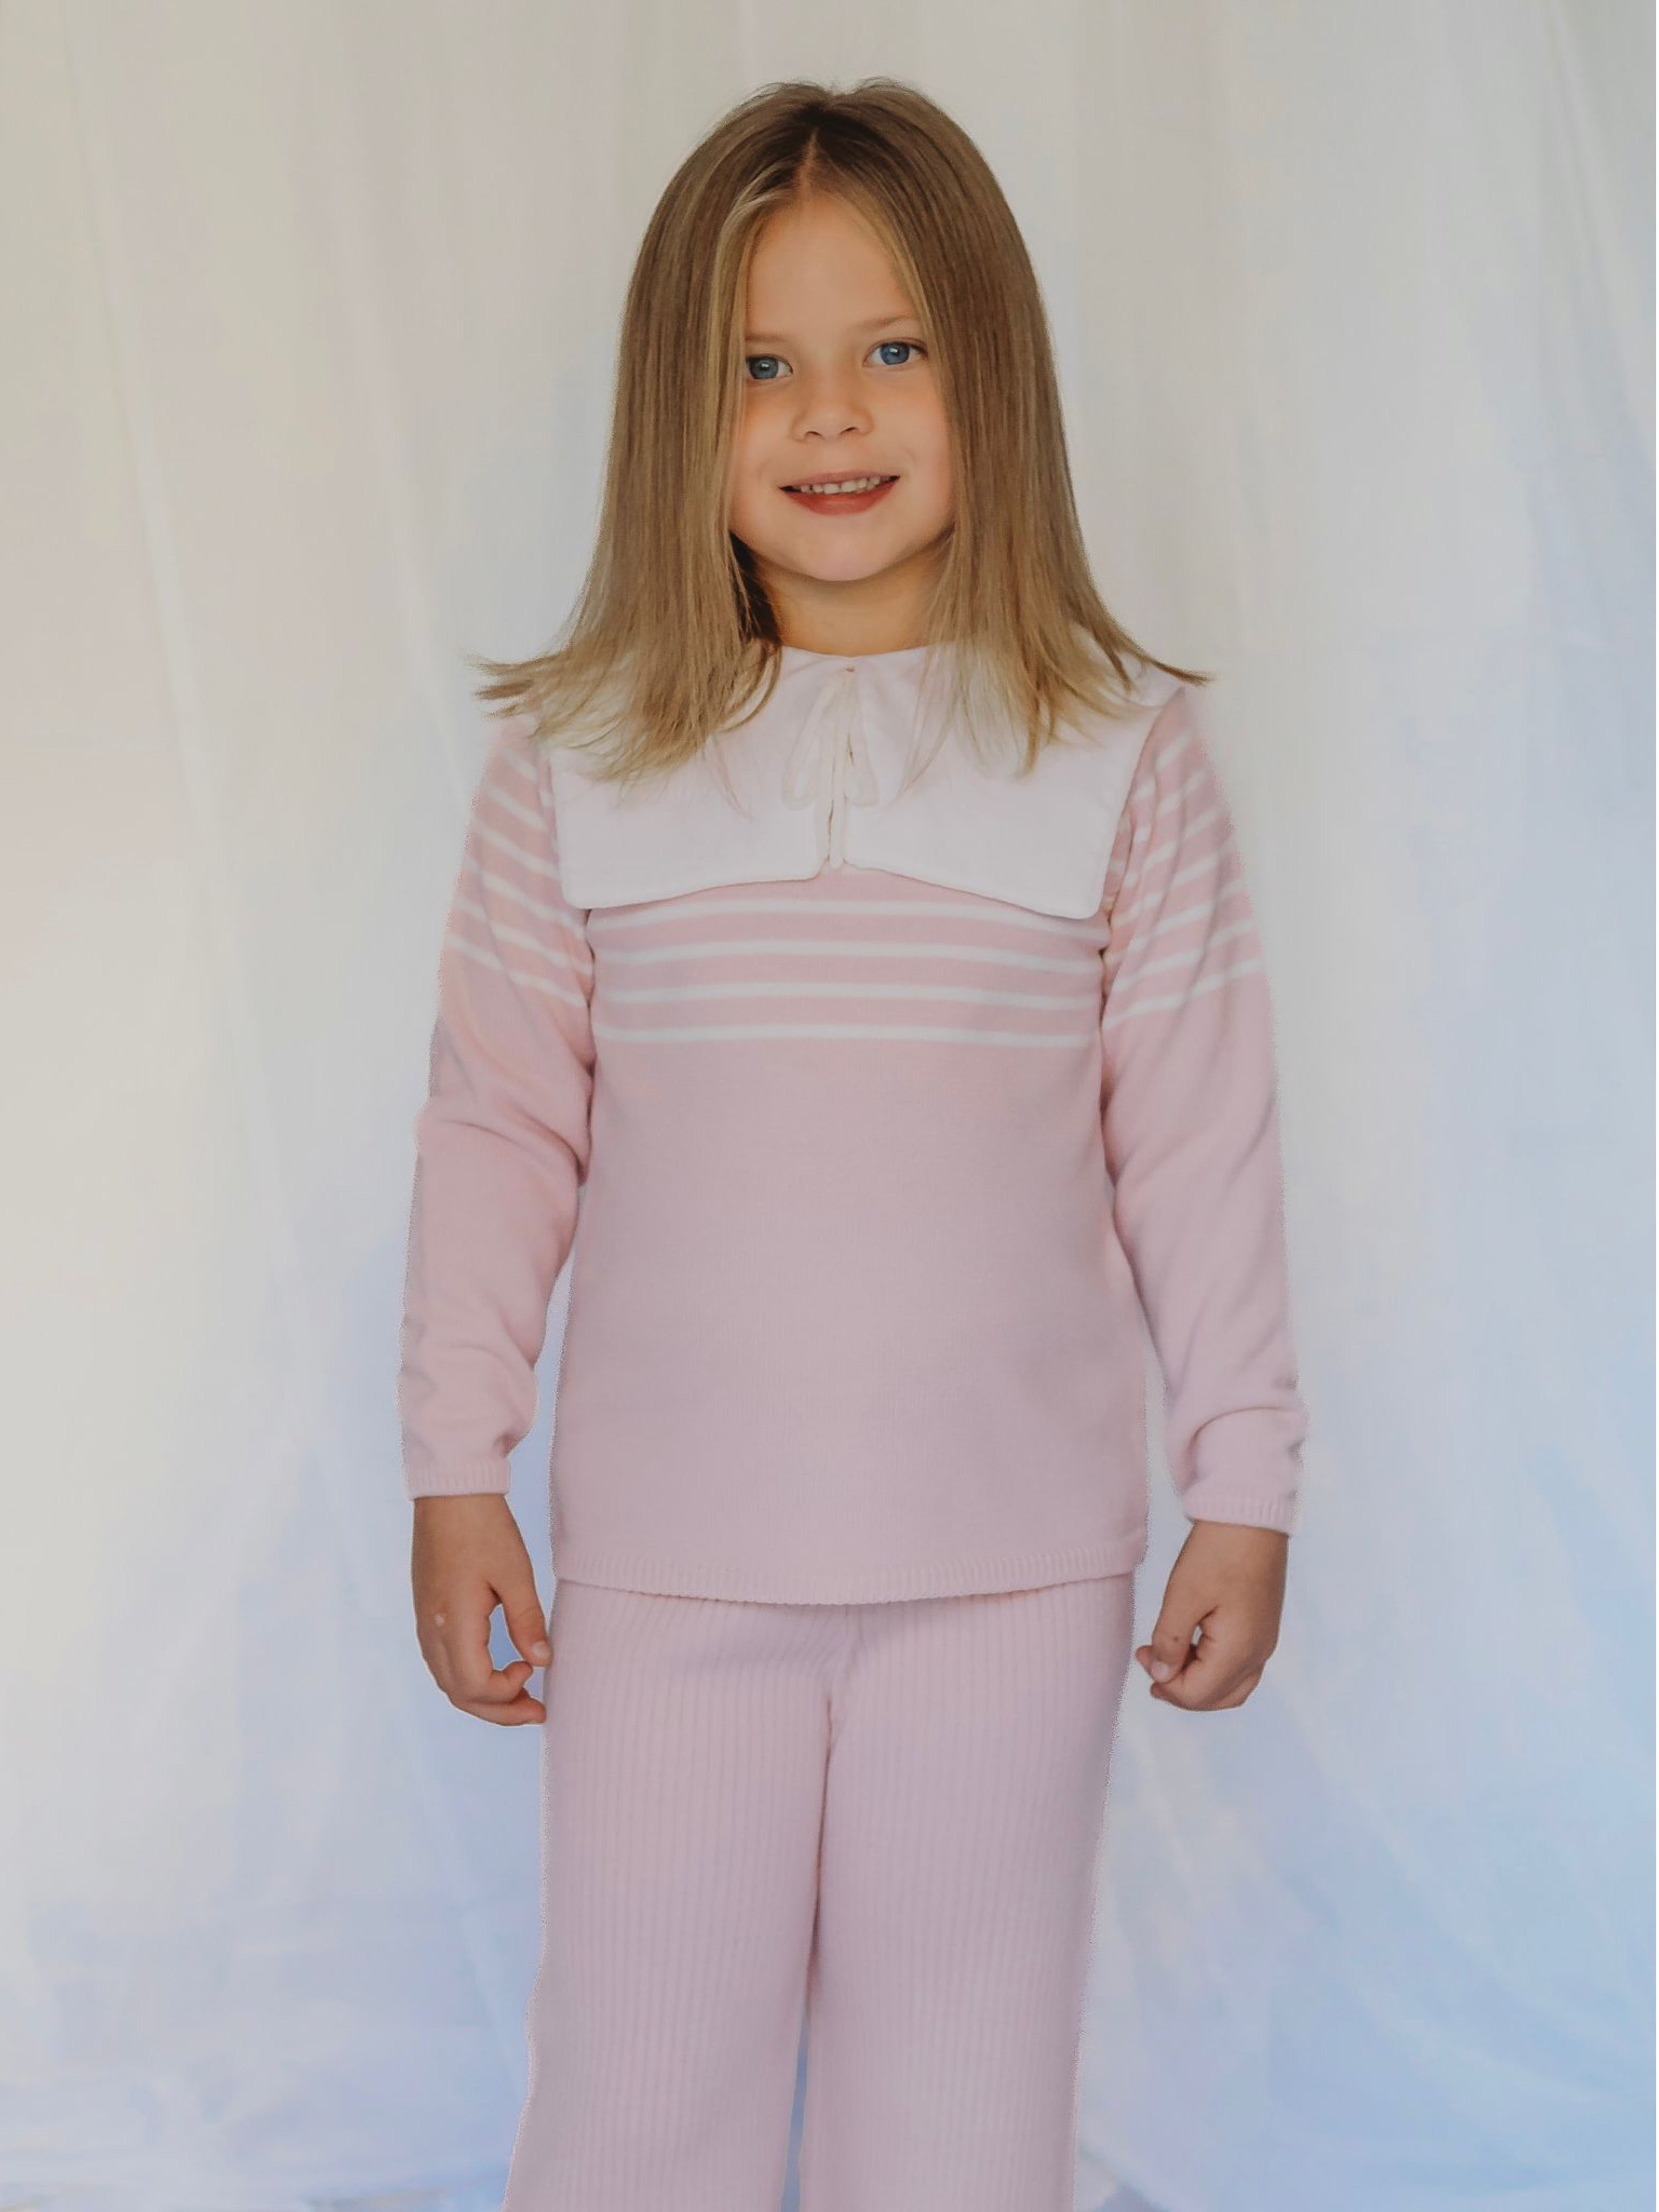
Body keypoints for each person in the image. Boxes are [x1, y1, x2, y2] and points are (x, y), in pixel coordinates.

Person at [395, 75, 1310, 2212]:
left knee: (963, 2125)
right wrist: (453, 1463)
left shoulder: (1114, 753)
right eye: (760, 365)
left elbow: (1199, 1141)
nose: (830, 412)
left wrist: (1247, 1482)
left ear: (991, 375)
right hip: (671, 1565)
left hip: (1012, 1572)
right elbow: (497, 1129)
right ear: (679, 415)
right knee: (639, 2110)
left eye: (893, 347)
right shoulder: (584, 764)